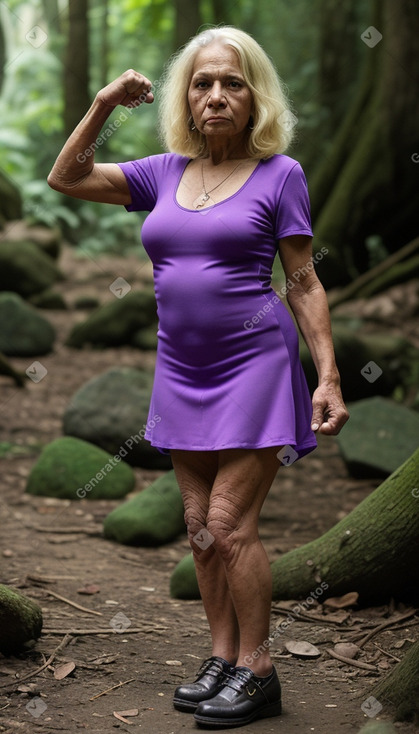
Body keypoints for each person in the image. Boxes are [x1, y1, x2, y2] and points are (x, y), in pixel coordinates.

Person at [48, 25, 349, 729]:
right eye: (202, 82)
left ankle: (258, 668)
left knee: (228, 523)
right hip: (181, 366)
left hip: (254, 362)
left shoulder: (281, 175)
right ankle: (220, 656)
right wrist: (101, 104)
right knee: (196, 528)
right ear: (187, 95)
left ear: (254, 98)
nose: (216, 95)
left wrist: (328, 376)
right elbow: (65, 177)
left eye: (232, 82)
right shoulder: (163, 172)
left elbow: (302, 280)